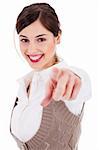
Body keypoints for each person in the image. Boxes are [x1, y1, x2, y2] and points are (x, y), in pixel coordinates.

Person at [10, 3, 91, 150]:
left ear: (58, 37)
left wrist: (76, 78)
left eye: (41, 39)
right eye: (24, 40)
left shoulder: (65, 80)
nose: (31, 49)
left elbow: (82, 84)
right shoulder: (25, 85)